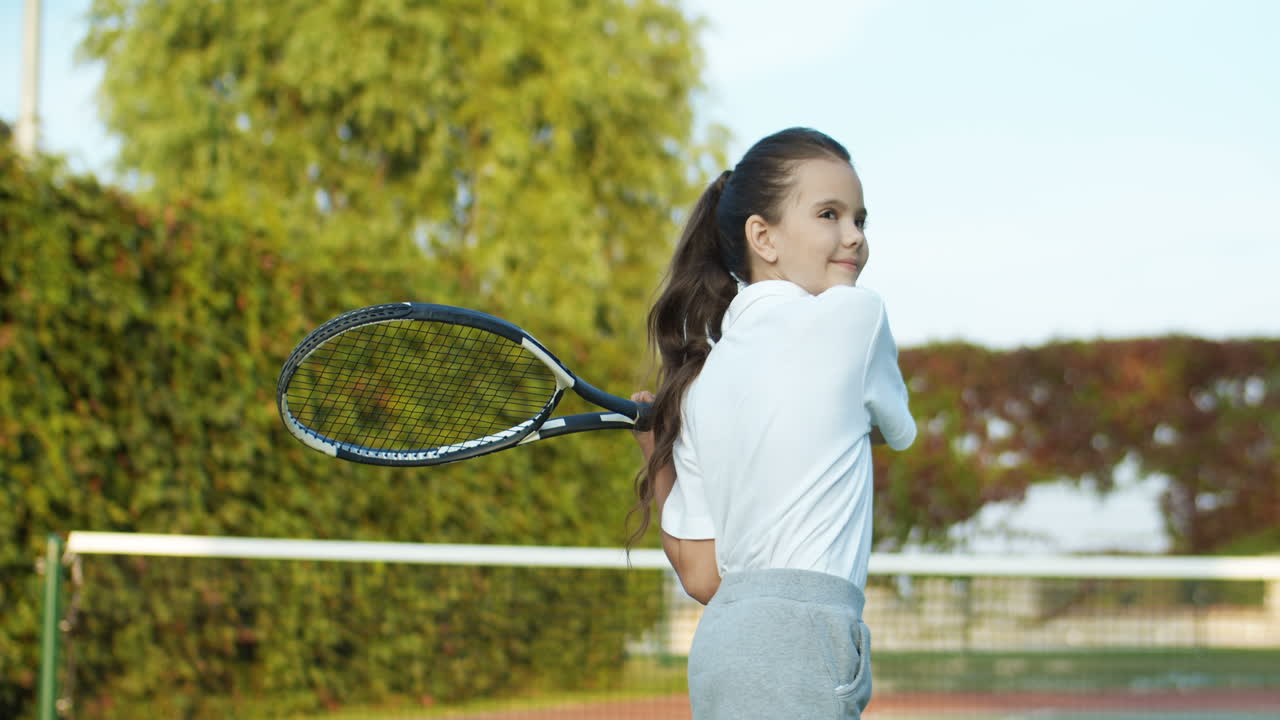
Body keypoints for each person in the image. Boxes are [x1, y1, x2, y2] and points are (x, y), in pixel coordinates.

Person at [628, 127, 916, 719]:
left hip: (722, 647)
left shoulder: (699, 385)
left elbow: (703, 577)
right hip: (803, 644)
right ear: (763, 236)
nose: (854, 236)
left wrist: (655, 451)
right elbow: (897, 430)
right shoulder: (855, 315)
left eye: (860, 219)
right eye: (829, 215)